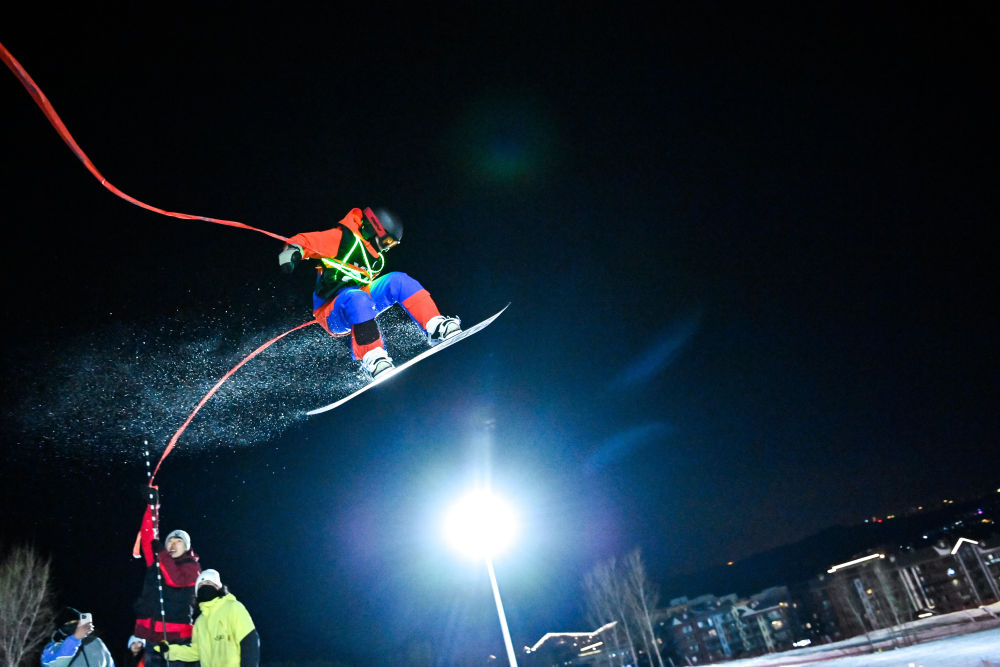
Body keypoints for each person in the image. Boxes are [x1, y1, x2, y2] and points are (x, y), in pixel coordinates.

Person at [278, 206, 461, 378]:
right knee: (356, 297)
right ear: (375, 230)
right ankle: (373, 358)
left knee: (398, 280)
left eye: (393, 244)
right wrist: (292, 251)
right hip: (331, 312)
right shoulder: (343, 239)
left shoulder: (374, 258)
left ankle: (435, 326)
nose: (388, 247)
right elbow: (307, 241)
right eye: (388, 241)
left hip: (361, 303)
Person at [132, 492, 201, 667]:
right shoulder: (159, 561)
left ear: (186, 548)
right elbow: (149, 536)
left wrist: (162, 553)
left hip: (178, 637)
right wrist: (152, 506)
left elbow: (175, 580)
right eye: (170, 540)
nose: (172, 544)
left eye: (178, 541)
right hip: (152, 635)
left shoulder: (192, 567)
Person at [155, 569, 259, 667]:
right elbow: (196, 651)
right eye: (200, 585)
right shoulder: (200, 622)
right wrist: (169, 651)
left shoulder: (233, 607)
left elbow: (249, 641)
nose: (204, 587)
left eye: (208, 583)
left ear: (218, 587)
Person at [41, 608, 114, 667]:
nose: (74, 626)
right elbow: (54, 664)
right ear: (59, 629)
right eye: (69, 624)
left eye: (76, 623)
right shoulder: (52, 648)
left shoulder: (95, 642)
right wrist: (75, 639)